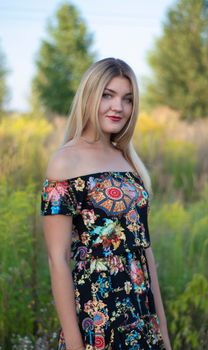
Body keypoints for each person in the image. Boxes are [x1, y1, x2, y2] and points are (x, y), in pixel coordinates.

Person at [41, 57, 172, 350]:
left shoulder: (127, 160)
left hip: (141, 317)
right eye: (107, 95)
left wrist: (162, 331)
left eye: (127, 99)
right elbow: (57, 260)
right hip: (96, 316)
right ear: (89, 95)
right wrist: (75, 344)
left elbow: (145, 253)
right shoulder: (65, 161)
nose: (118, 107)